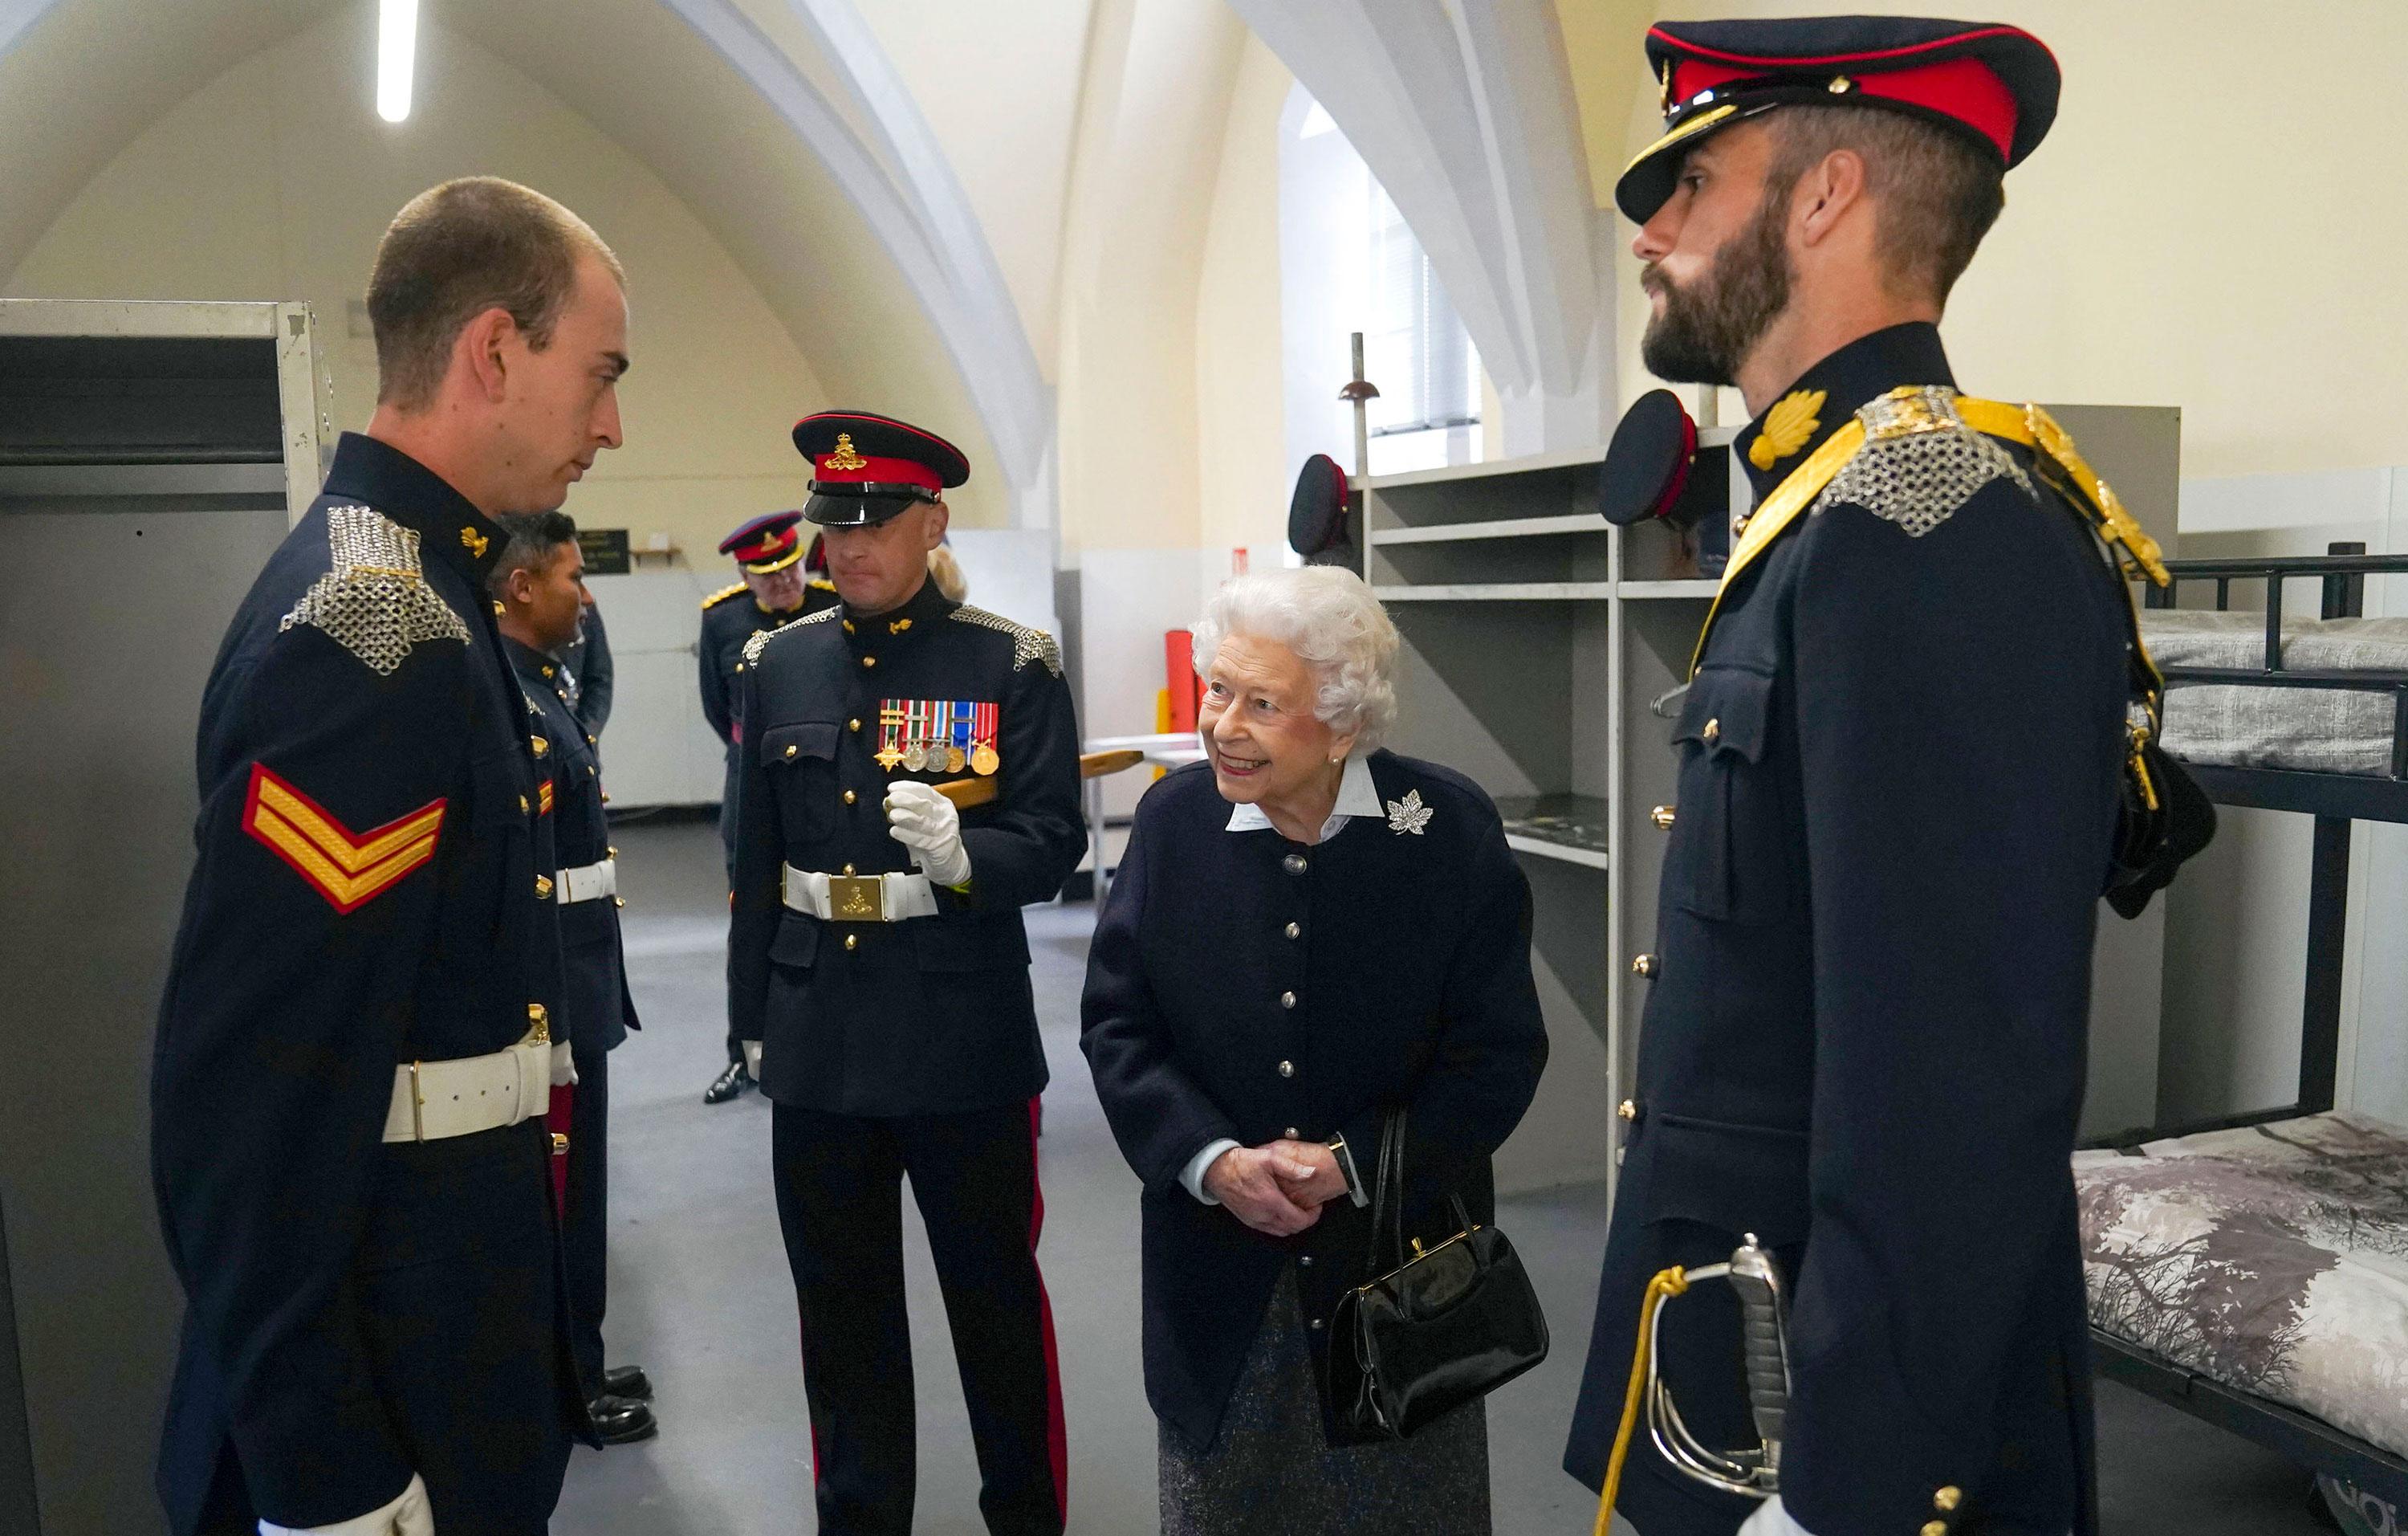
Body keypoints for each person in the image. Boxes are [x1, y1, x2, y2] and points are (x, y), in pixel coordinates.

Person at [1561, 19, 2136, 1536]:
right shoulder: (1828, 508)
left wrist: (1851, 1489)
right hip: (1736, 1339)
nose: (1652, 224)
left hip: (1849, 1413)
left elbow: (1955, 1077)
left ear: (1823, 198)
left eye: (1690, 178)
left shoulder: (1930, 522)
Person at [150, 176, 626, 1536]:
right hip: (390, 1379)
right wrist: (324, 1473)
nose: (610, 424)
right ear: (493, 350)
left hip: (446, 1325)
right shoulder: (371, 627)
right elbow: (243, 1106)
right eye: (596, 375)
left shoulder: (434, 594)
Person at [1081, 566, 1548, 1535]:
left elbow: (1497, 1053)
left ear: (1341, 723)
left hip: (1401, 1282)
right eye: (1218, 689)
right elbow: (1121, 1025)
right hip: (1216, 1279)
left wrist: (1353, 1164)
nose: (1222, 725)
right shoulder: (1174, 824)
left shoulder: (1444, 828)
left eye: (1262, 703)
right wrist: (1211, 1161)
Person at [729, 409, 1083, 1536]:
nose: (849, 548)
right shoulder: (775, 663)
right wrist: (751, 1023)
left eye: (876, 522)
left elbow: (1055, 836)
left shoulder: (1005, 660)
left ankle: (1023, 1512)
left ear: (933, 520)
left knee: (992, 1304)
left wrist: (968, 854)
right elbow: (755, 858)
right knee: (842, 1316)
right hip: (819, 1036)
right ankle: (862, 1516)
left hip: (959, 1037)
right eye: (835, 524)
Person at [490, 511, 657, 1448]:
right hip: (554, 989)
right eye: (567, 578)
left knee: (583, 1188)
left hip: (584, 972)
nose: (584, 595)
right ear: (518, 587)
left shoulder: (543, 683)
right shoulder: (509, 698)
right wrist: (543, 1021)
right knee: (560, 1196)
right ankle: (566, 1382)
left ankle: (580, 1353)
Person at [698, 511, 839, 1104]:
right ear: (745, 576)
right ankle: (743, 1048)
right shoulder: (722, 617)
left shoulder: (834, 603)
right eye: (768, 578)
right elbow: (716, 704)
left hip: (827, 780)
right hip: (751, 781)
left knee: (831, 903)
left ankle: (829, 1038)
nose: (783, 584)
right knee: (749, 910)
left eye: (790, 571)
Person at [560, 585, 613, 736]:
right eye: (574, 577)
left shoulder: (584, 605)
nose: (588, 596)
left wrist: (585, 733)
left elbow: (599, 680)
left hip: (576, 734)